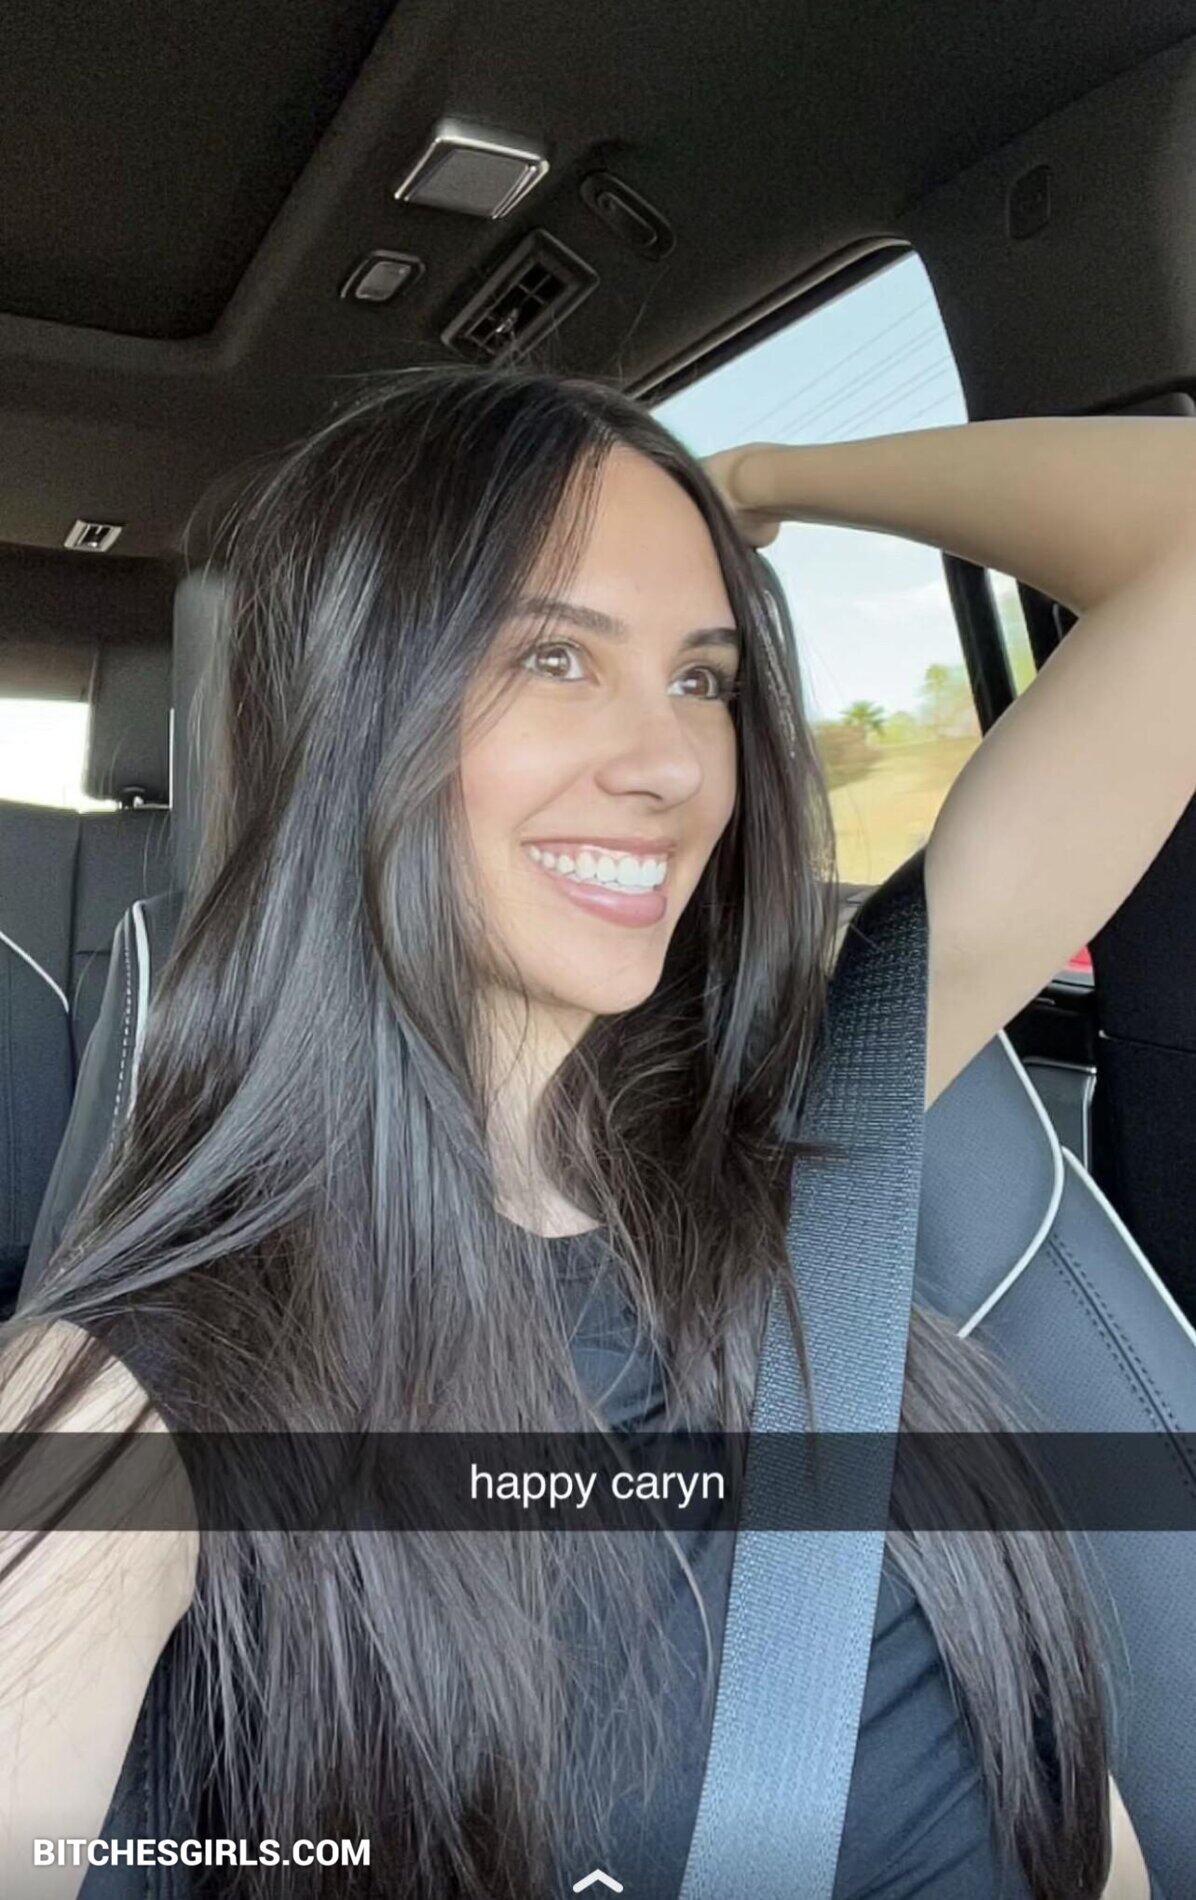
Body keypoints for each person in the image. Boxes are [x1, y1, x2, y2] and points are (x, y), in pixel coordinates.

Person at [3, 361, 1186, 1900]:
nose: (671, 765)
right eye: (553, 658)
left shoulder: (815, 1104)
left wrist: (753, 478)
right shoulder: (138, 1401)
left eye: (705, 678)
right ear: (353, 712)